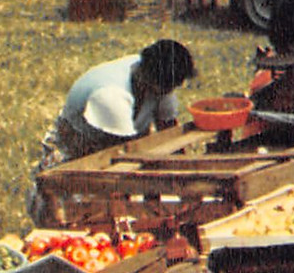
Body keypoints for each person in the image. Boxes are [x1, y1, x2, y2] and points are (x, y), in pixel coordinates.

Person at [27, 38, 196, 225]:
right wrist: (147, 203)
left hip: (123, 147)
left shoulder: (160, 82)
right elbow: (121, 161)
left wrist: (184, 186)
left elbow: (168, 134)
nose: (168, 92)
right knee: (76, 220)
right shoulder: (112, 95)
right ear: (150, 79)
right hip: (77, 152)